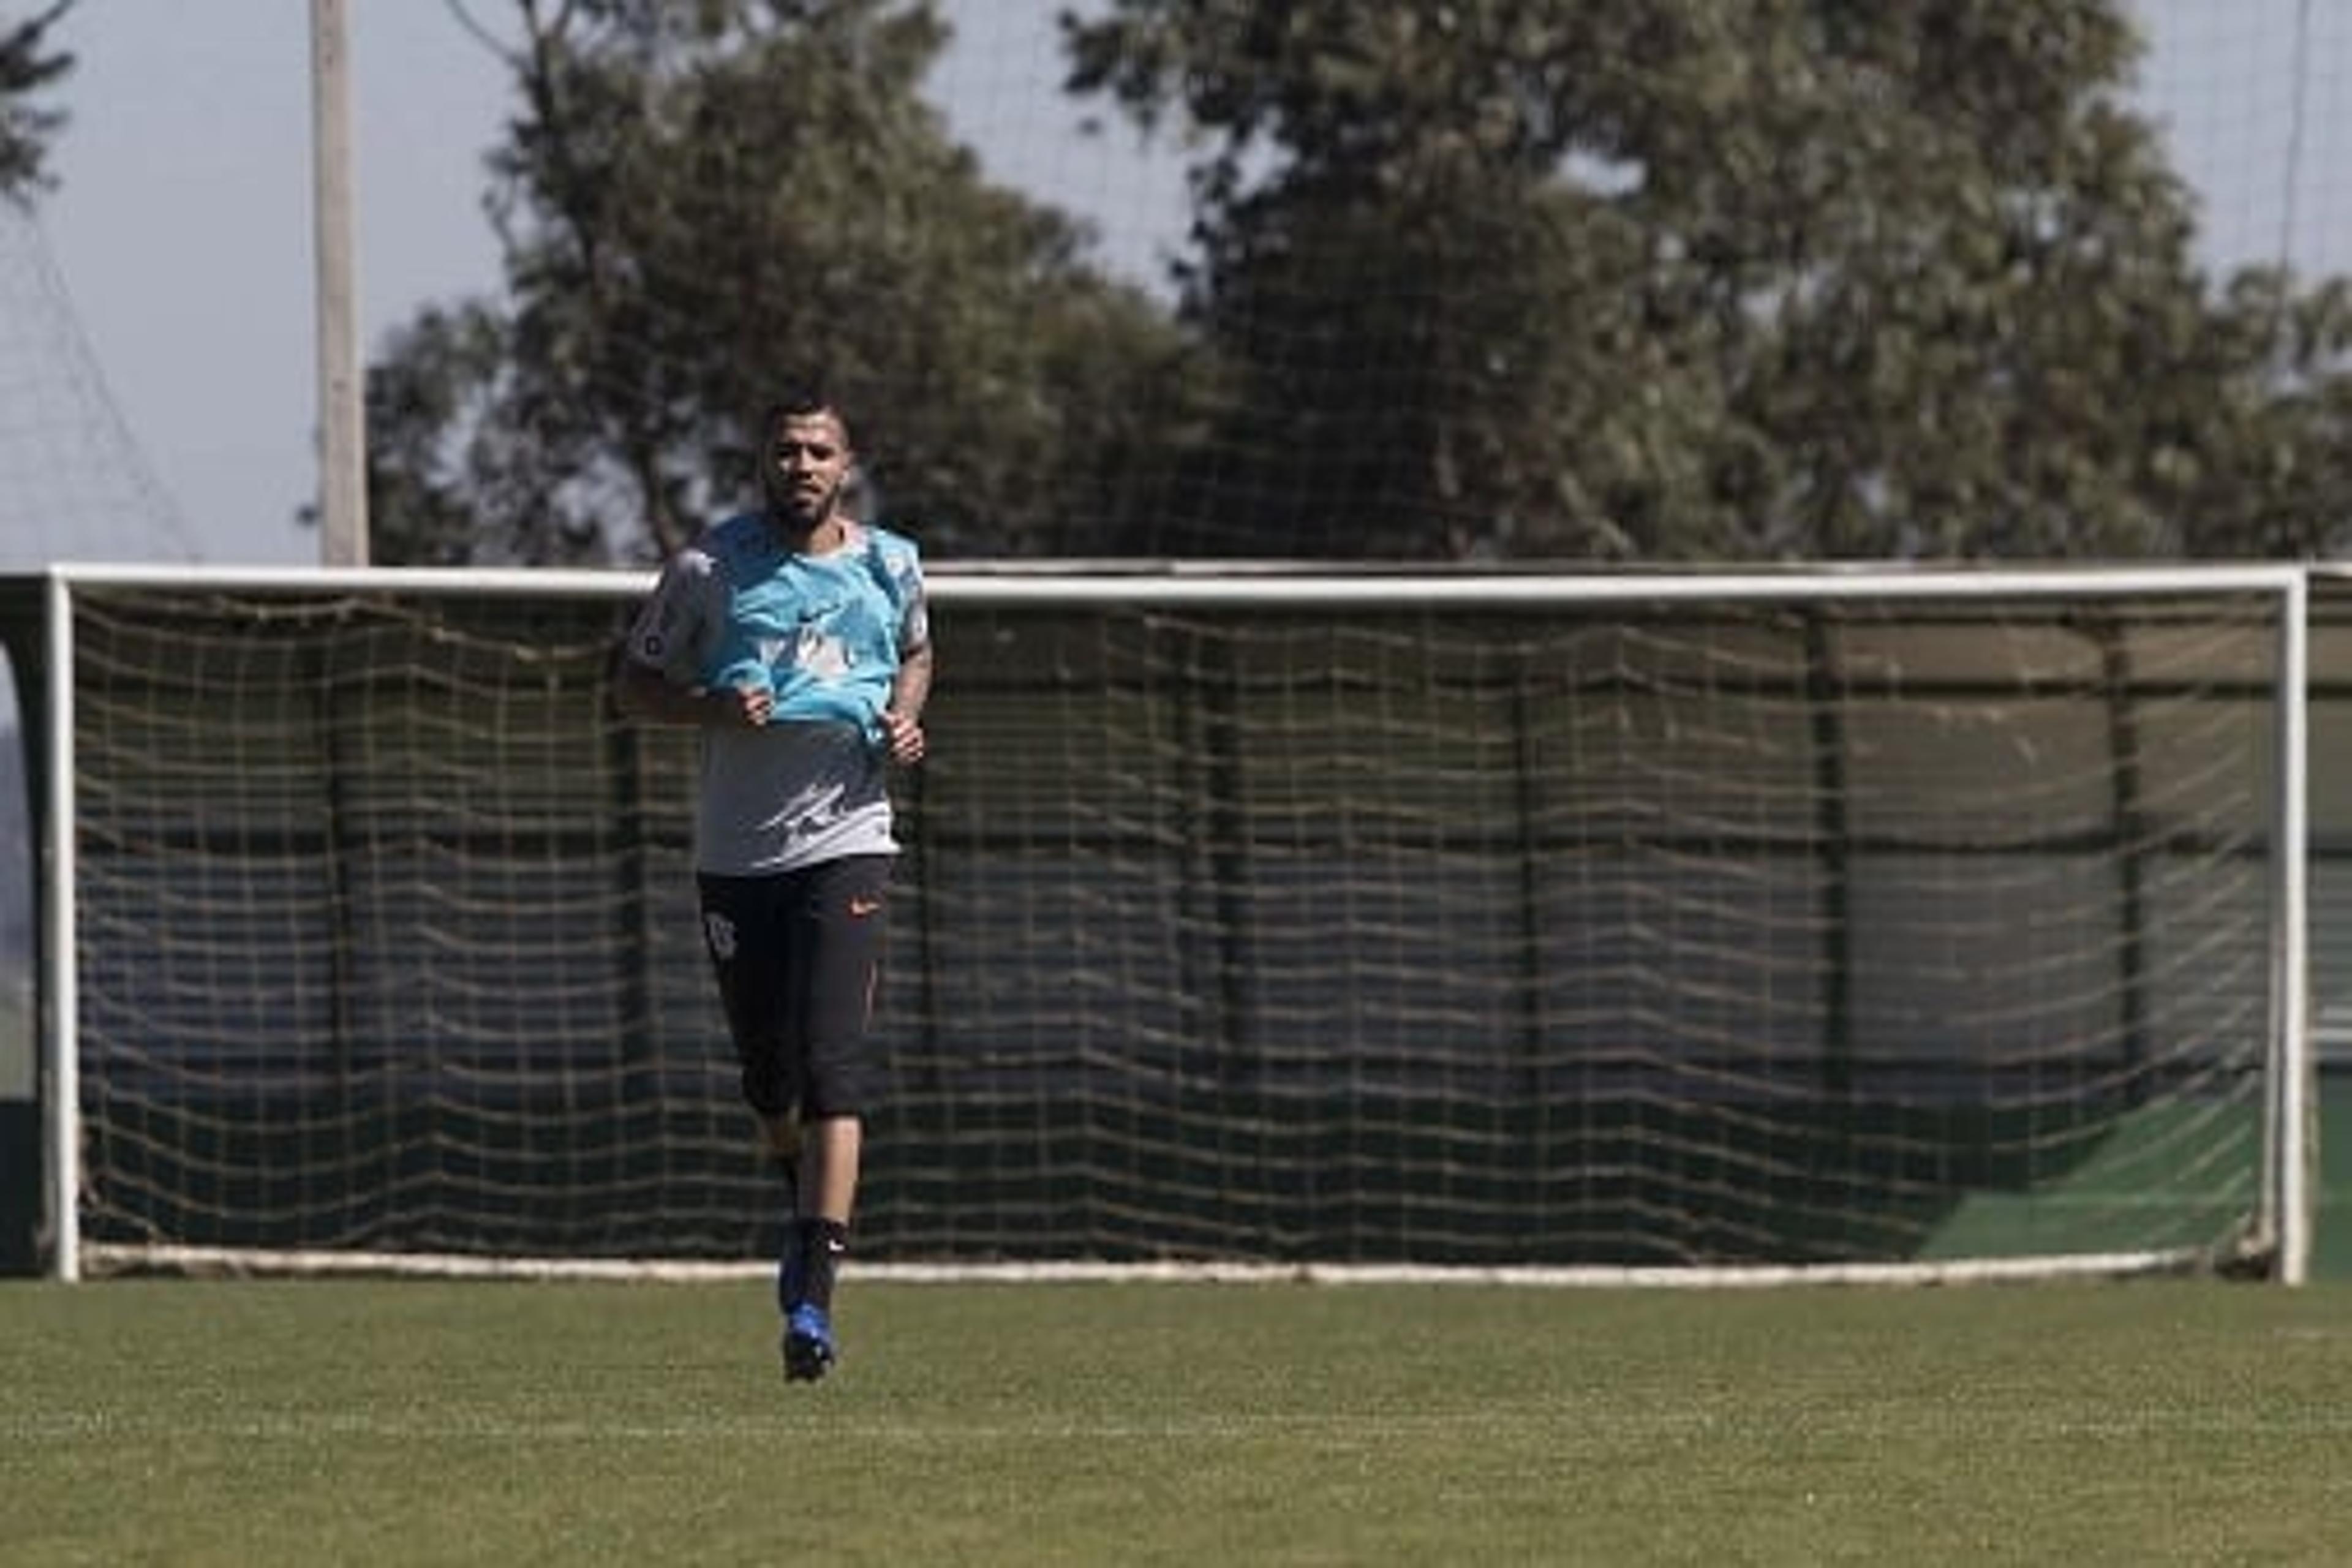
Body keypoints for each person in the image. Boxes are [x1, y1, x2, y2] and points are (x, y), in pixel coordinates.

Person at [613, 393, 930, 1383]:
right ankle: (802, 1201)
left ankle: (813, 1297)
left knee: (835, 1066)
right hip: (738, 856)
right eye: (786, 450)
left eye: (820, 450)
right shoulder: (708, 569)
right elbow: (632, 682)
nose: (802, 464)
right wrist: (710, 705)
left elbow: (916, 652)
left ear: (848, 464)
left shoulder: (893, 564)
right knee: (769, 1077)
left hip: (851, 840)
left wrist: (905, 722)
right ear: (763, 463)